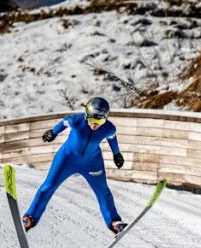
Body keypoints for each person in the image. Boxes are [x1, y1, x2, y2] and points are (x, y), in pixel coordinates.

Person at [22, 97, 127, 234]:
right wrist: (53, 132)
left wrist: (117, 154)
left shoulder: (108, 128)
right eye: (92, 119)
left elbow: (112, 137)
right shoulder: (76, 121)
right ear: (86, 115)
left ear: (106, 118)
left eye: (100, 120)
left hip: (92, 162)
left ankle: (114, 222)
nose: (95, 124)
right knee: (48, 186)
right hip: (67, 158)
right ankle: (30, 217)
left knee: (103, 192)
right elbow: (64, 122)